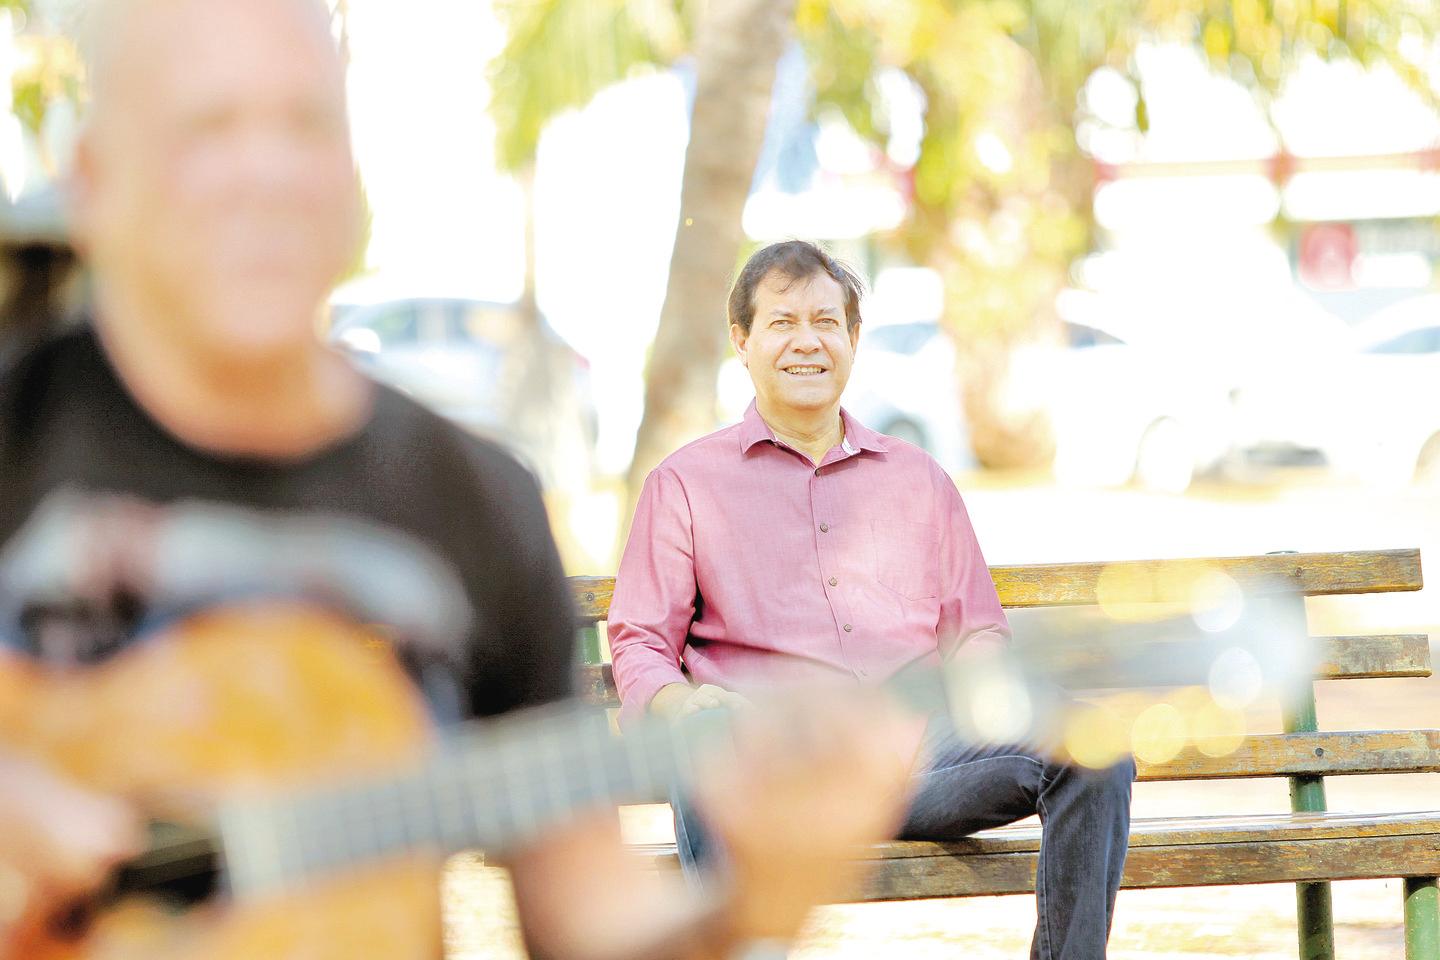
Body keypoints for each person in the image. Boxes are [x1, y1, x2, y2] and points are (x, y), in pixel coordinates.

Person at [0, 4, 915, 957]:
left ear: (353, 181)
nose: (265, 174)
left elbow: (598, 928)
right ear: (95, 181)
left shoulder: (475, 505)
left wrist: (757, 897)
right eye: (208, 127)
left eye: (303, 125)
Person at [609, 240, 1135, 960]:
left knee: (1092, 749)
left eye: (826, 321)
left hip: (922, 763)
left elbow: (978, 631)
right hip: (772, 768)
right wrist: (679, 703)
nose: (807, 342)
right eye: (782, 322)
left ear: (853, 339)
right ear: (742, 340)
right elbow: (640, 641)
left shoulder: (918, 480)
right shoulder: (685, 486)